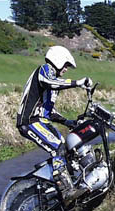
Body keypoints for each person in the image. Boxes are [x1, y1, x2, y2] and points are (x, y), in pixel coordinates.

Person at [16, 45, 92, 202]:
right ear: (57, 60)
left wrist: (68, 122)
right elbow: (51, 82)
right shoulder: (45, 70)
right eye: (66, 65)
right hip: (30, 121)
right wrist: (78, 83)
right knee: (57, 148)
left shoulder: (52, 82)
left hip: (41, 121)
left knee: (67, 148)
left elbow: (49, 111)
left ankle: (70, 181)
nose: (66, 69)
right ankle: (66, 191)